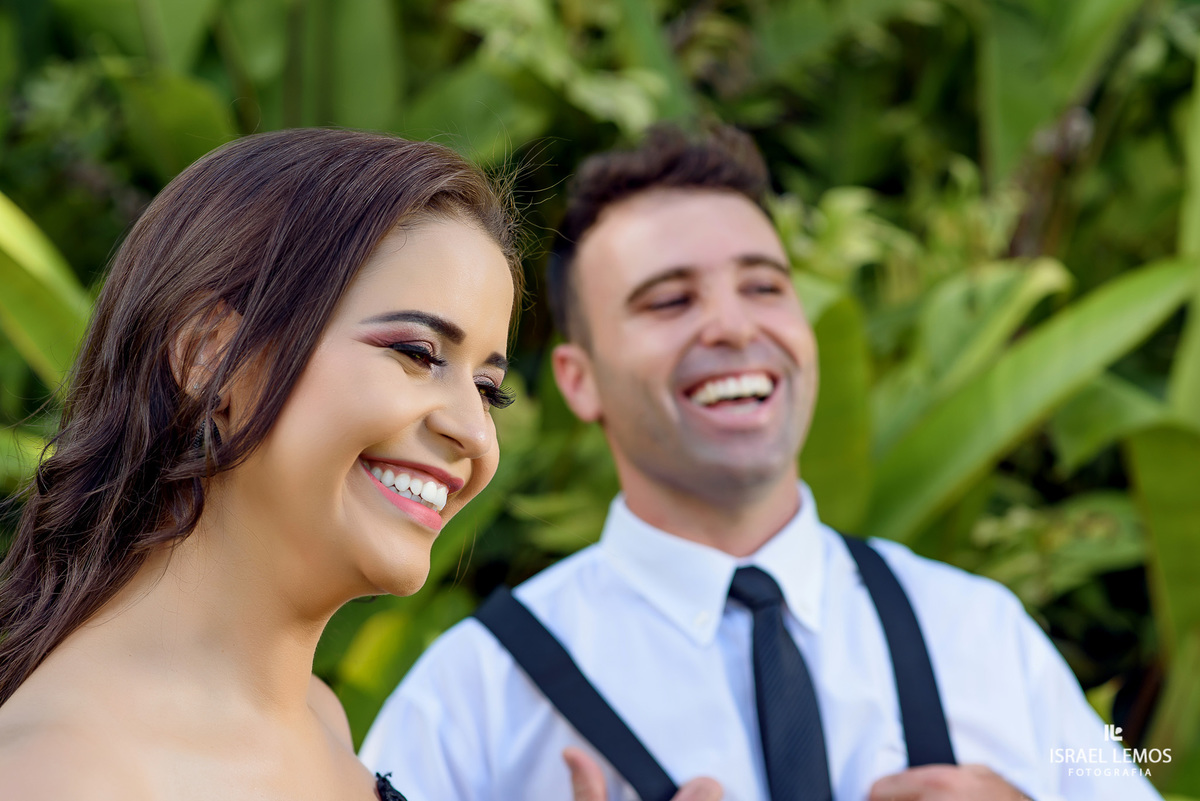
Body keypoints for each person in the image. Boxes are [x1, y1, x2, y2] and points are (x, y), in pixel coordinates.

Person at [361, 125, 1163, 801]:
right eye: (669, 300)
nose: (734, 325)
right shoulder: (473, 695)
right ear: (579, 378)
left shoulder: (984, 633)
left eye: (765, 286)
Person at [0, 128, 522, 801]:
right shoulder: (65, 774)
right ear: (211, 355)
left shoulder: (317, 716)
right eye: (418, 353)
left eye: (488, 390)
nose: (473, 431)